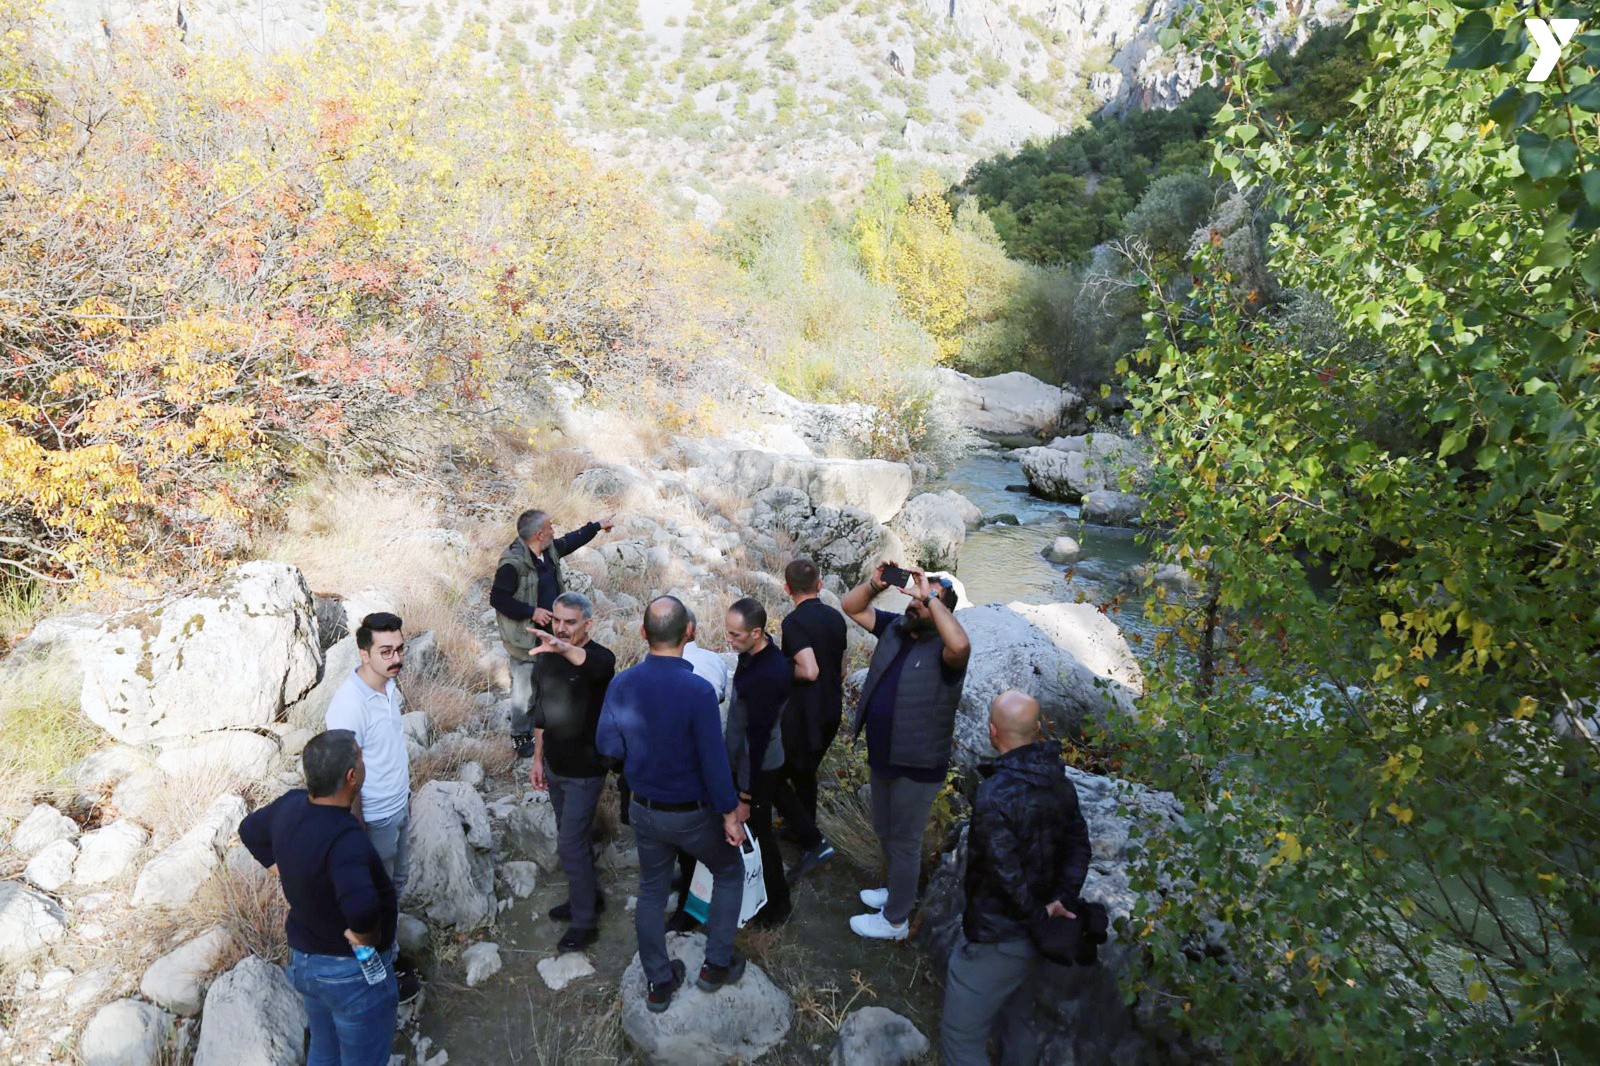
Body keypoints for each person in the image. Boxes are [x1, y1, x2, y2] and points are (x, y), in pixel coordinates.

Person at [596, 596, 748, 1013]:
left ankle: (659, 983)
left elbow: (607, 745)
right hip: (692, 813)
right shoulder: (698, 691)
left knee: (651, 890)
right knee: (729, 871)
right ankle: (716, 965)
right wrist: (731, 814)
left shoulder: (622, 683)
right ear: (691, 633)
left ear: (643, 634)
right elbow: (716, 766)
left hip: (644, 809)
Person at [940, 691, 1091, 1066]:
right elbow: (1079, 847)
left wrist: (1039, 917)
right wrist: (1061, 901)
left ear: (993, 732)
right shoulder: (1060, 782)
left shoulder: (994, 794)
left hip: (997, 935)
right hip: (1038, 936)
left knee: (960, 1040)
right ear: (1037, 730)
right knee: (1018, 1019)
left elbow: (1004, 874)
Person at [240, 730, 398, 1066]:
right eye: (360, 756)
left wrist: (277, 867)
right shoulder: (345, 838)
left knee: (325, 1048)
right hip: (347, 972)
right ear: (352, 776)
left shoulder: (290, 804)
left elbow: (249, 830)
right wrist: (366, 940)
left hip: (305, 961)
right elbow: (362, 907)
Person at [840, 561, 971, 940]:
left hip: (917, 762)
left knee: (904, 839)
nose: (915, 604)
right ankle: (897, 892)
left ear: (942, 611)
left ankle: (896, 920)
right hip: (883, 753)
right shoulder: (897, 629)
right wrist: (875, 584)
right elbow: (852, 607)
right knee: (884, 828)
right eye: (915, 599)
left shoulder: (948, 654)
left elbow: (960, 642)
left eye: (927, 602)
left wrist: (931, 595)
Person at [324, 612, 420, 1001]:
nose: (396, 658)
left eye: (399, 649)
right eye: (386, 651)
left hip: (399, 805)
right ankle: (380, 970)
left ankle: (388, 952)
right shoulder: (348, 706)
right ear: (364, 654)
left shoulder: (388, 685)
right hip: (375, 818)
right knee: (374, 899)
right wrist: (356, 829)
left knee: (393, 888)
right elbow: (344, 777)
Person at [525, 591, 617, 953]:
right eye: (557, 620)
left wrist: (561, 648)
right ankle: (588, 897)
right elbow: (541, 712)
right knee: (571, 836)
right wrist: (537, 758)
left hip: (586, 770)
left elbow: (595, 667)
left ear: (588, 624)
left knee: (570, 843)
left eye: (570, 622)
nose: (561, 628)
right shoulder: (546, 658)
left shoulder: (600, 658)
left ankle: (585, 924)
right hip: (556, 765)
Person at [492, 508, 615, 757]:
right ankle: (519, 738)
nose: (553, 530)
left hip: (553, 635)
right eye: (550, 528)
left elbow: (569, 541)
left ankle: (549, 727)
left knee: (550, 684)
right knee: (524, 692)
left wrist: (596, 526)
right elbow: (498, 598)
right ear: (539, 534)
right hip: (525, 640)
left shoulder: (547, 551)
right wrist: (531, 611)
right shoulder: (512, 564)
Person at [772, 557, 848, 882]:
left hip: (805, 713)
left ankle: (812, 842)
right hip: (831, 708)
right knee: (805, 772)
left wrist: (779, 667)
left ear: (787, 588)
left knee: (774, 775)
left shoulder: (793, 623)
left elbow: (809, 669)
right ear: (820, 584)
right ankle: (800, 829)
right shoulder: (836, 618)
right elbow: (842, 668)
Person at [724, 597, 792, 927]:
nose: (729, 640)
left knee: (760, 834)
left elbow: (758, 741)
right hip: (748, 762)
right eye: (728, 633)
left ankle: (776, 907)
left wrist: (745, 796)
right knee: (755, 832)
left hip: (759, 768)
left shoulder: (769, 672)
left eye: (735, 635)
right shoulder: (753, 654)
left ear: (756, 632)